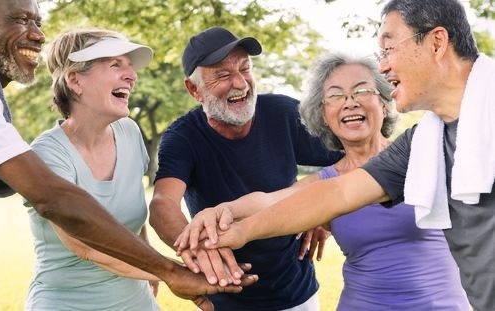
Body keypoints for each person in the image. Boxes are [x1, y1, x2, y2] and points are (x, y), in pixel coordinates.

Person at [0, 1, 255, 310]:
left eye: (38, 22)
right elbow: (60, 208)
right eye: (20, 20)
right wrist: (168, 271)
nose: (37, 34)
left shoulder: (129, 134)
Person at [183, 1, 495, 310]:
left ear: (437, 42)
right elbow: (336, 193)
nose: (385, 66)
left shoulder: (451, 138)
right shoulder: (423, 144)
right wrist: (233, 223)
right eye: (335, 96)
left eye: (389, 49)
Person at [149, 26, 342, 311]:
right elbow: (163, 203)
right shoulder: (183, 137)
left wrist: (325, 211)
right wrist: (197, 247)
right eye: (223, 75)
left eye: (245, 69)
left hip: (298, 292)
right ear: (194, 90)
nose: (240, 83)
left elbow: (355, 158)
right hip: (226, 295)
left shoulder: (284, 114)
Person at [23, 28, 162, 310]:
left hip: (136, 300)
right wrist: (169, 271)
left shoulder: (129, 132)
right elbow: (85, 245)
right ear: (75, 80)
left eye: (129, 66)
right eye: (115, 65)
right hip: (65, 303)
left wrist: (148, 258)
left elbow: (132, 220)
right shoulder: (48, 154)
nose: (131, 75)